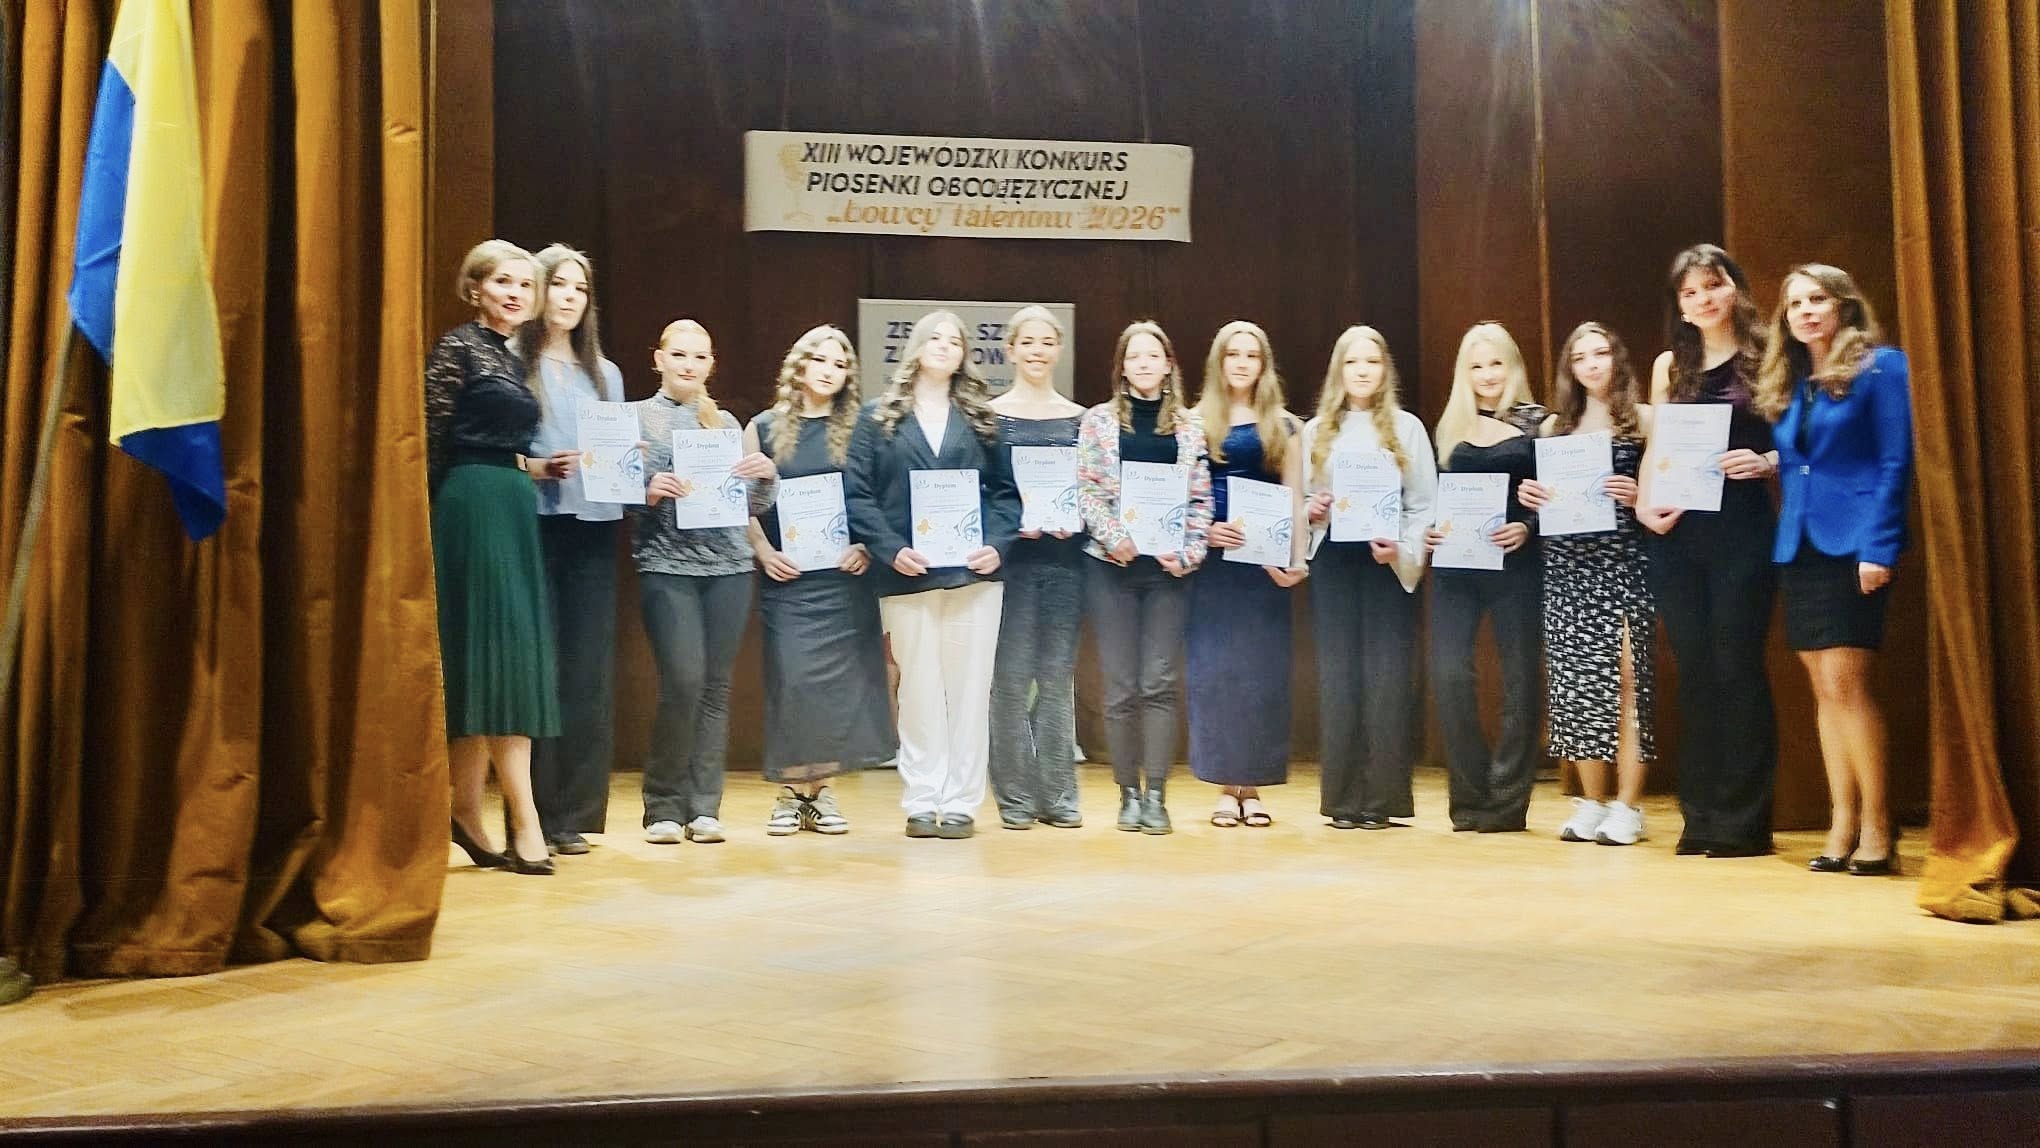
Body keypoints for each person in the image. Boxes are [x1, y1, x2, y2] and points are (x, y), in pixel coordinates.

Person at [1753, 265, 1913, 876]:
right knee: (1823, 689)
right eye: (1794, 303)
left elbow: (1894, 462)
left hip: (1855, 543)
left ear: (1843, 304)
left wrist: (1881, 547)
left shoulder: (1881, 366)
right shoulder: (1792, 379)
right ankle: (1841, 819)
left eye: (1817, 298)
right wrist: (1768, 462)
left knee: (1848, 685)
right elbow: (1804, 462)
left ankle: (1878, 823)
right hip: (1799, 545)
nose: (1805, 311)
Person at [845, 311, 1021, 840]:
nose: (945, 346)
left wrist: (998, 546)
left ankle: (962, 802)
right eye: (935, 338)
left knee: (969, 690)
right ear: (916, 348)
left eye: (955, 341)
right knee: (919, 689)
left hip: (974, 576)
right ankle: (922, 799)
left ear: (965, 355)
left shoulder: (983, 418)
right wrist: (890, 550)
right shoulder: (877, 418)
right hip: (906, 575)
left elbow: (1007, 494)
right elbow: (858, 495)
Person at [1638, 244, 1783, 858]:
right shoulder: (1671, 365)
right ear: (1680, 306)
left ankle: (1743, 820)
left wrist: (1767, 461)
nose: (1704, 299)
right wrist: (1645, 505)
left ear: (1735, 288)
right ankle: (1698, 816)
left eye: (1713, 285)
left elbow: (1796, 440)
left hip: (1742, 530)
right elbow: (1657, 447)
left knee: (1737, 667)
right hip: (1678, 537)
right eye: (1690, 291)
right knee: (1694, 671)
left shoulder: (1769, 353)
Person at [426, 239, 560, 876]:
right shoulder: (457, 347)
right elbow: (432, 438)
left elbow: (501, 441)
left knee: (491, 659)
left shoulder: (511, 355)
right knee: (496, 656)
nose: (515, 293)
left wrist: (537, 468)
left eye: (525, 285)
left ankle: (465, 810)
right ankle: (524, 818)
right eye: (503, 281)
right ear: (475, 287)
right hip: (470, 505)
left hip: (511, 499)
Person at [631, 319, 778, 847]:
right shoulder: (638, 418)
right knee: (683, 682)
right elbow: (614, 495)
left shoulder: (725, 421)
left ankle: (704, 808)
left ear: (711, 364)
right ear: (659, 359)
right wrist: (646, 490)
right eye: (679, 354)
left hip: (729, 567)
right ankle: (663, 806)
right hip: (667, 565)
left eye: (699, 356)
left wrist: (766, 477)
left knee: (716, 687)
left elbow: (750, 505)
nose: (689, 365)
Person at [747, 326, 897, 836]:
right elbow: (739, 502)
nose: (830, 371)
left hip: (844, 580)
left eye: (840, 364)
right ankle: (791, 793)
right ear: (800, 365)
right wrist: (763, 551)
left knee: (837, 689)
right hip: (788, 580)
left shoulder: (863, 428)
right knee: (793, 682)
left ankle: (822, 792)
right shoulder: (763, 427)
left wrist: (867, 547)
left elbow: (878, 498)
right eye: (821, 360)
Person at [1519, 322, 1657, 846]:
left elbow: (1668, 488)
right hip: (1566, 566)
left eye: (1601, 353)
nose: (1592, 364)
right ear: (1569, 369)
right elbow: (1542, 501)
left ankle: (1628, 805)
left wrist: (1639, 493)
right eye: (1580, 357)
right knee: (1576, 685)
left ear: (1618, 358)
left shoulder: (1644, 419)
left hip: (1624, 561)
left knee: (1628, 684)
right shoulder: (1554, 428)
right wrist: (1531, 499)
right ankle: (1593, 800)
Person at [1076, 321, 1215, 834]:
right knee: (1120, 686)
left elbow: (1201, 499)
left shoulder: (1190, 426)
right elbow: (1088, 491)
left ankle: (1156, 794)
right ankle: (1126, 794)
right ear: (1122, 367)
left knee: (1159, 683)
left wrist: (1190, 553)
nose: (1143, 364)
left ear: (1168, 364)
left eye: (1152, 355)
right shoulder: (1097, 422)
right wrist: (1115, 537)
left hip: (1169, 572)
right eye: (1133, 356)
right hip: (1110, 567)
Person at [1301, 325, 1437, 830]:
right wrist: (1312, 510)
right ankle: (1342, 799)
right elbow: (1300, 502)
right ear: (1338, 370)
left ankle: (1381, 800)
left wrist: (1401, 548)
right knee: (1339, 677)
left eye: (1372, 362)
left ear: (1385, 371)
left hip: (1385, 562)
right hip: (1334, 559)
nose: (1362, 371)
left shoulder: (1407, 429)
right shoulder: (1316, 431)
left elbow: (1424, 505)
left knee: (1386, 678)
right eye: (1353, 362)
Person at [517, 244, 627, 857]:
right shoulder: (515, 360)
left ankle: (574, 813)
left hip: (595, 527)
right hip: (537, 522)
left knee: (587, 669)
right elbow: (491, 444)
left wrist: (632, 466)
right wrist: (536, 467)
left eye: (580, 288)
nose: (569, 297)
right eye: (559, 284)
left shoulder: (605, 374)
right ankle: (533, 809)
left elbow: (614, 457)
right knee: (543, 666)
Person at [1425, 322, 1546, 832]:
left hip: (1515, 566)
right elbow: (1433, 496)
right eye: (1476, 366)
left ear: (1512, 365)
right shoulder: (1450, 426)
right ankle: (1470, 795)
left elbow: (1556, 498)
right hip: (1456, 569)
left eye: (1496, 363)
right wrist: (1431, 530)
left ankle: (1508, 801)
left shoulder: (1539, 424)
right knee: (1450, 675)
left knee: (1520, 680)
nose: (1488, 374)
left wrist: (1528, 526)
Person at [1187, 321, 1307, 829]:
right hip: (1213, 567)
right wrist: (1205, 532)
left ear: (1264, 365)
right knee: (1216, 674)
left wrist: (1296, 560)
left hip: (1264, 567)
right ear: (1219, 362)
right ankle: (1223, 785)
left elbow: (1295, 496)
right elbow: (1183, 495)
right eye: (1232, 354)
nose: (1241, 363)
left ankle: (1252, 786)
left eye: (1251, 355)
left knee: (1260, 675)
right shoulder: (1193, 421)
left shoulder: (1286, 425)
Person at [988, 307, 1089, 829]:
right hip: (1010, 566)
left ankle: (1059, 794)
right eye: (1027, 342)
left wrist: (1078, 521)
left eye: (1046, 342)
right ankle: (1015, 797)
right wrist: (1009, 528)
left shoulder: (1080, 419)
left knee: (1055, 679)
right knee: (1009, 681)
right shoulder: (988, 416)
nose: (1037, 351)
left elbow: (1093, 489)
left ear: (1059, 350)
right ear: (1010, 350)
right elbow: (983, 492)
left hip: (1065, 563)